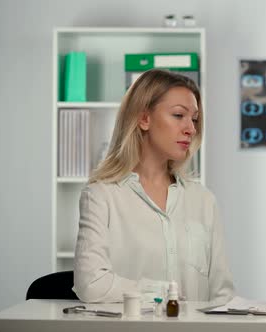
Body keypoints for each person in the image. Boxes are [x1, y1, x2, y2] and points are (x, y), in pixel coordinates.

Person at [73, 69, 234, 303]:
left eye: (195, 119)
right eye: (179, 115)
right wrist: (164, 294)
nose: (191, 128)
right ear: (144, 118)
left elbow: (223, 295)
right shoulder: (101, 196)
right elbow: (91, 284)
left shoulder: (204, 200)